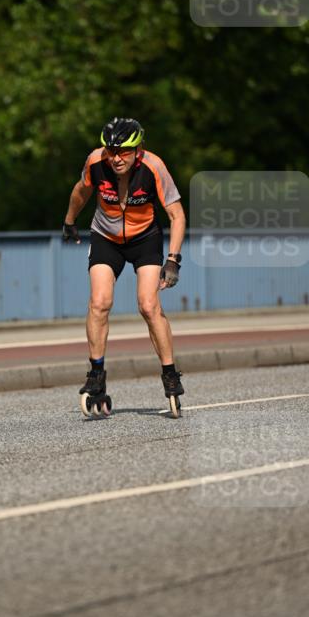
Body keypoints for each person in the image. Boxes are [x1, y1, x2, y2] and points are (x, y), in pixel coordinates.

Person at [62, 117, 187, 414]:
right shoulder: (95, 162)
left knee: (148, 305)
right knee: (99, 303)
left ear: (138, 150)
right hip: (106, 236)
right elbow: (81, 191)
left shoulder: (155, 167)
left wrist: (173, 259)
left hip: (145, 239)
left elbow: (177, 215)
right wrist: (69, 220)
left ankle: (170, 374)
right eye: (111, 151)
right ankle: (96, 375)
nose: (116, 158)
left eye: (123, 152)